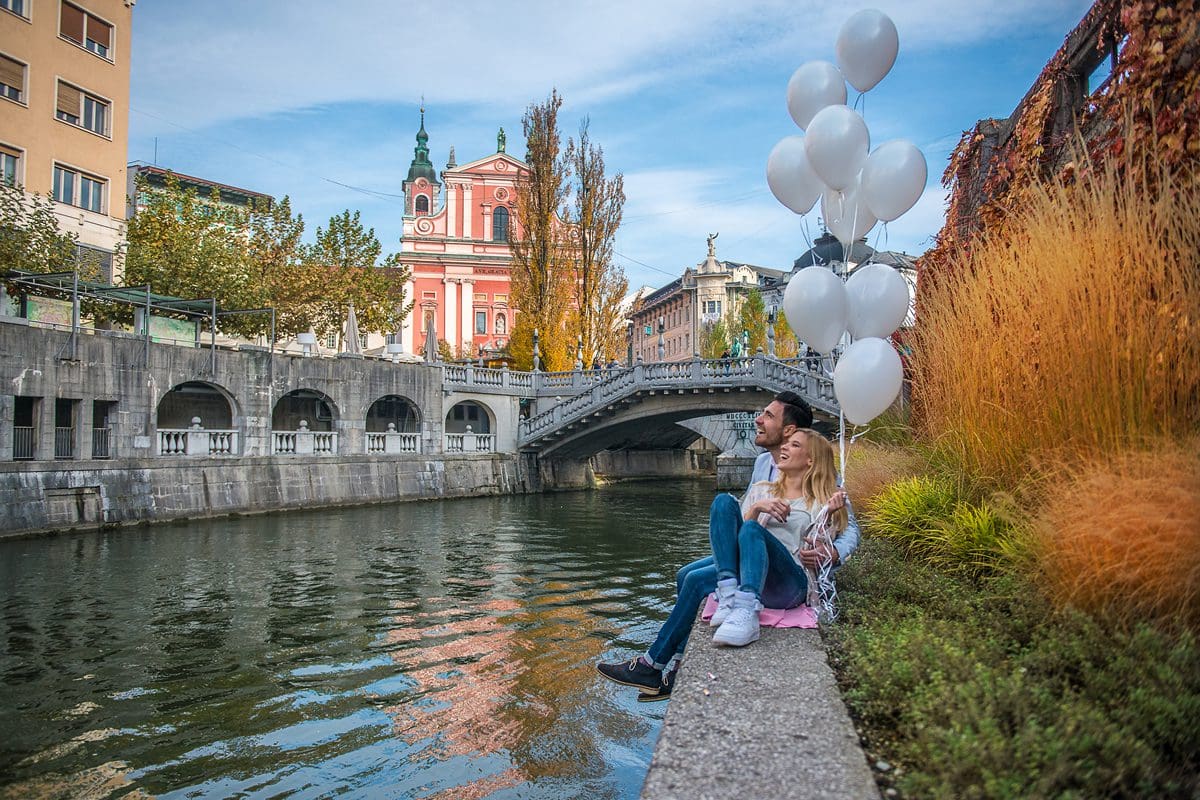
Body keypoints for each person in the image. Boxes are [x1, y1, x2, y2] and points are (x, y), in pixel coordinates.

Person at [596, 426, 849, 701]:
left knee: (749, 535)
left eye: (795, 445)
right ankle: (657, 665)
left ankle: (660, 660)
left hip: (790, 583)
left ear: (811, 460)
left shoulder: (824, 501)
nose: (785, 448)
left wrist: (828, 514)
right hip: (751, 575)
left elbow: (820, 552)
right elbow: (732, 537)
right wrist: (756, 509)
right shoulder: (762, 491)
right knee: (722, 504)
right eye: (786, 444)